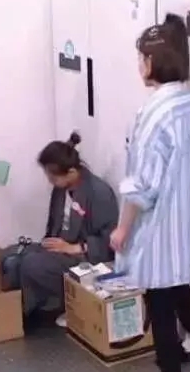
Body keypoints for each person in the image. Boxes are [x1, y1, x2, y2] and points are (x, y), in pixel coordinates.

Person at [110, 13, 190, 372]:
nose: (139, 65)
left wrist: (122, 229)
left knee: (158, 295)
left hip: (163, 223)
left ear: (150, 62)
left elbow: (142, 186)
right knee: (177, 278)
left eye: (141, 58)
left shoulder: (153, 115)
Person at [17, 132, 118, 329]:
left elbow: (109, 241)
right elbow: (54, 225)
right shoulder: (61, 189)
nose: (49, 180)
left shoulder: (99, 193)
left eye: (52, 176)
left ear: (71, 172)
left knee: (32, 264)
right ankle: (21, 310)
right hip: (62, 246)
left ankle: (73, 305)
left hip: (87, 256)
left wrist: (74, 248)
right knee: (13, 258)